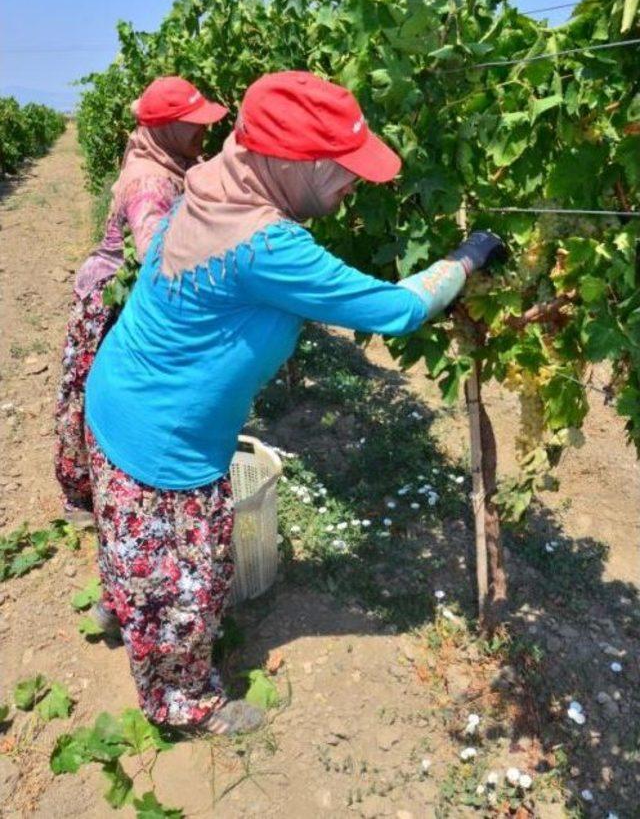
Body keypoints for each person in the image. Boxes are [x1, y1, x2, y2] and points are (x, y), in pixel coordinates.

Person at [83, 71, 504, 735]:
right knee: (189, 587)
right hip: (160, 440)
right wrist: (469, 258)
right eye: (342, 168)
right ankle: (184, 704)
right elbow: (396, 310)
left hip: (117, 403)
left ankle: (124, 604)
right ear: (290, 161)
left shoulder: (211, 185)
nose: (355, 182)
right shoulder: (266, 245)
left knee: (140, 556)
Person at [54, 76, 227, 528]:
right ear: (167, 128)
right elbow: (159, 254)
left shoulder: (173, 160)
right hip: (113, 301)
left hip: (135, 297)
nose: (203, 132)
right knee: (99, 395)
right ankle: (85, 496)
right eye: (194, 124)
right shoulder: (150, 180)